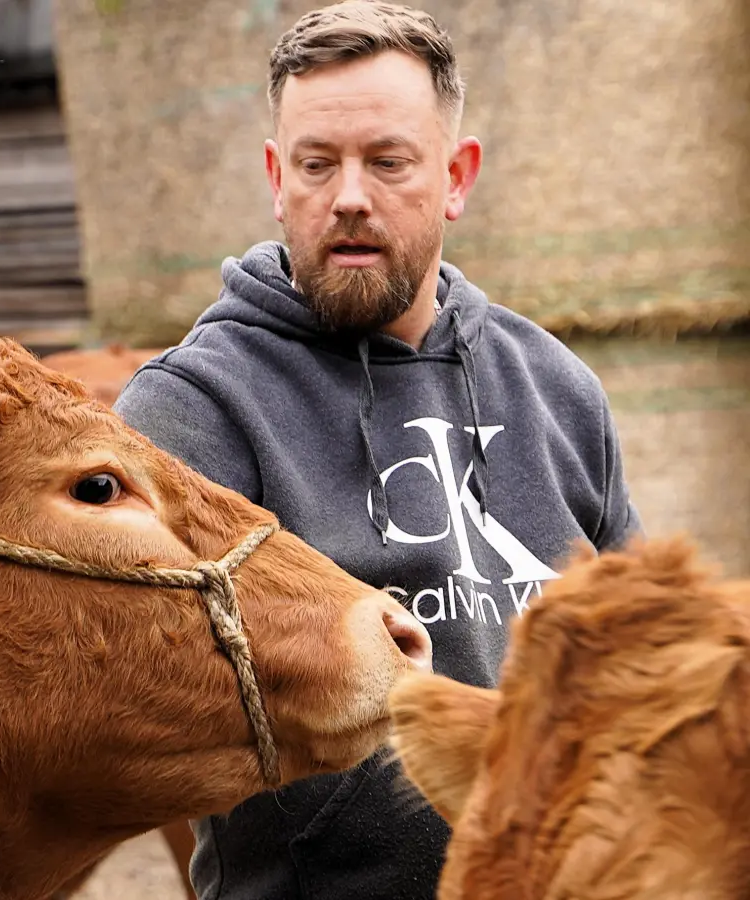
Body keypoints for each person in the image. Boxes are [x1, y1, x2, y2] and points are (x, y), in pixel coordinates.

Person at [112, 3, 643, 898]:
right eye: (318, 164)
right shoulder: (189, 413)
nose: (349, 196)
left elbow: (639, 659)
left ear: (455, 177)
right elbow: (141, 710)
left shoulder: (557, 389)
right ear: (279, 180)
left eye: (388, 162)